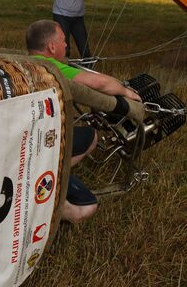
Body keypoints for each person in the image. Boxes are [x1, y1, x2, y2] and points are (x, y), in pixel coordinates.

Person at [26, 19, 141, 223]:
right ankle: (44, 203)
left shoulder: (23, 62)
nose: (67, 45)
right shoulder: (52, 67)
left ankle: (54, 172)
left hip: (28, 140)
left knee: (89, 136)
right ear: (51, 47)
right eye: (63, 40)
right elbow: (98, 83)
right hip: (39, 148)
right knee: (87, 208)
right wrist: (125, 91)